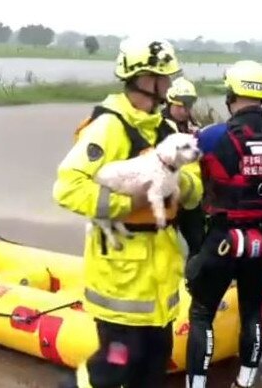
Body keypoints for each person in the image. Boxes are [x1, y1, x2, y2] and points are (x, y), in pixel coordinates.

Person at [53, 38, 203, 388]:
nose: (168, 87)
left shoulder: (166, 130)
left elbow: (194, 189)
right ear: (144, 80)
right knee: (114, 366)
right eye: (163, 79)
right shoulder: (109, 128)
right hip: (120, 280)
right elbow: (68, 188)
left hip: (158, 285)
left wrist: (181, 185)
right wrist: (130, 201)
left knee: (153, 370)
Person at [184, 60, 262, 388]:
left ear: (231, 94)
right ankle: (244, 382)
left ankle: (196, 385)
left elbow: (181, 173)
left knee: (202, 313)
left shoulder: (210, 136)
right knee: (252, 311)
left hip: (223, 238)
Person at [163, 77, 206, 257]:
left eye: (188, 106)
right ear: (169, 102)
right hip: (168, 195)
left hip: (191, 197)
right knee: (165, 247)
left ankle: (192, 282)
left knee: (199, 243)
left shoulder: (196, 128)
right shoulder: (158, 127)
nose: (184, 111)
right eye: (180, 106)